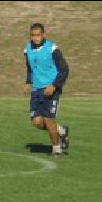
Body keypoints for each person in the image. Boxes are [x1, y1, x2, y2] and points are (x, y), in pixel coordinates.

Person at [24, 23, 70, 157]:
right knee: (37, 122)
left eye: (38, 35)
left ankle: (57, 150)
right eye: (33, 35)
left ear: (43, 35)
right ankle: (61, 130)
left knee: (49, 120)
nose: (36, 38)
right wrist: (28, 82)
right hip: (36, 90)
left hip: (51, 89)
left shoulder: (52, 48)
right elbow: (30, 67)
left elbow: (64, 69)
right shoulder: (27, 49)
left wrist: (54, 86)